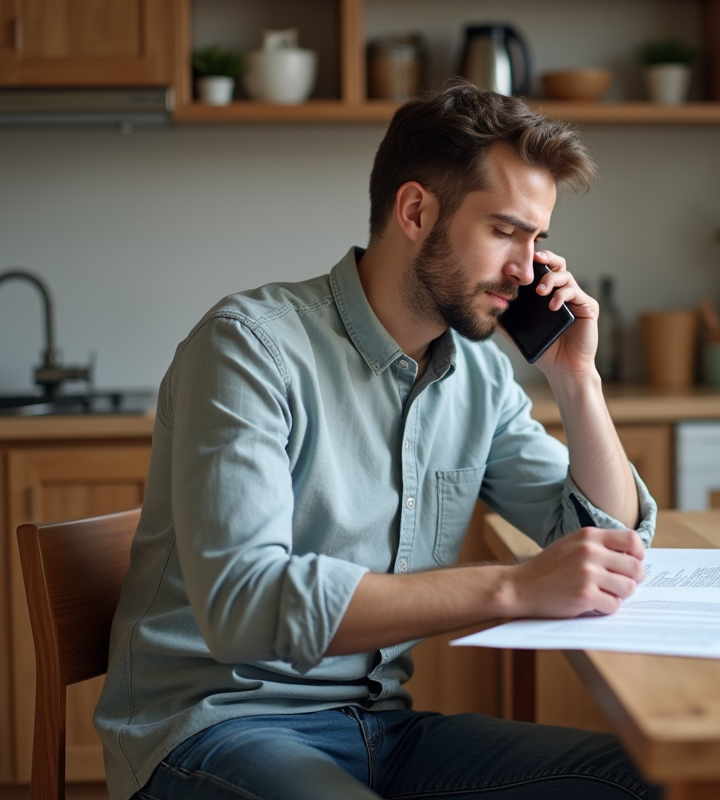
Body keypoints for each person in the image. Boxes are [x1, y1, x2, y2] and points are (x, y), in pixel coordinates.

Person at [94, 82, 661, 800]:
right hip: (214, 729)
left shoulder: (478, 376)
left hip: (380, 729)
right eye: (504, 231)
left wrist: (577, 380)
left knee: (651, 783)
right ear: (417, 211)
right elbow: (244, 604)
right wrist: (514, 586)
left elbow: (603, 539)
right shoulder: (249, 347)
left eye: (537, 240)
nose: (526, 270)